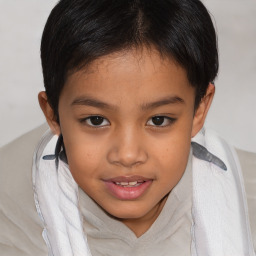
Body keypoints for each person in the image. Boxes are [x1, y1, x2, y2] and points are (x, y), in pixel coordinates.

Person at [0, 0, 255, 255]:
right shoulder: (8, 209)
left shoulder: (247, 195)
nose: (128, 155)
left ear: (199, 109)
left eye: (158, 120)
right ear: (53, 114)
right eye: (96, 120)